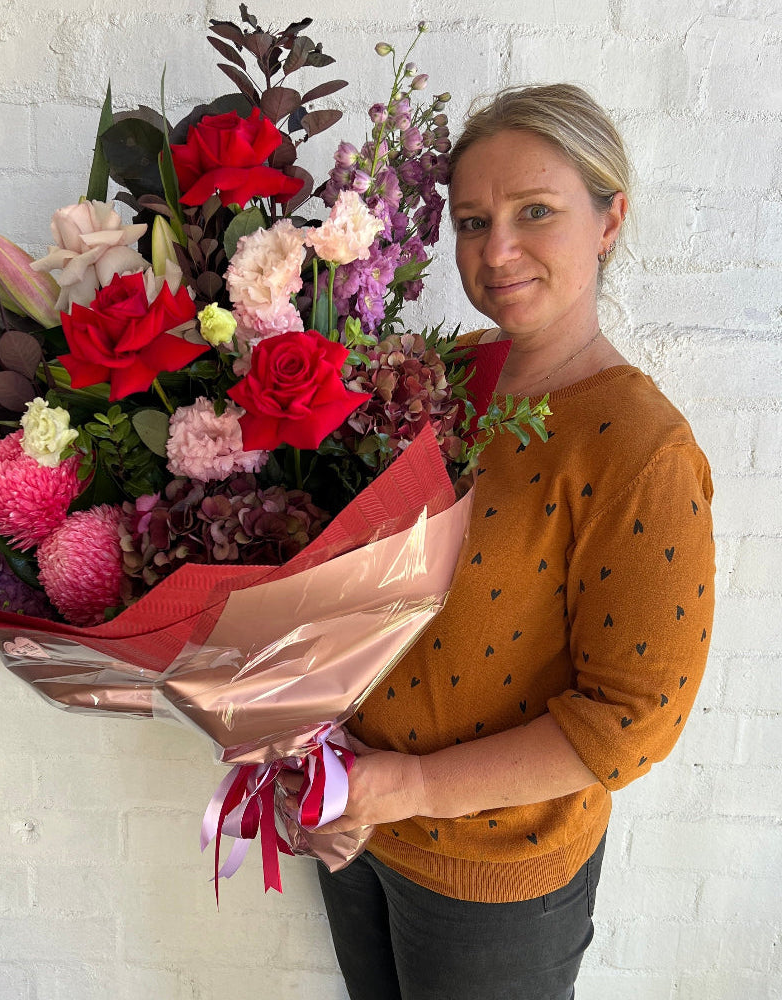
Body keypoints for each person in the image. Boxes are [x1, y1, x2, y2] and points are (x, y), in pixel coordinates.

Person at [298, 84, 716, 1000]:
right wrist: (302, 745)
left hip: (495, 876)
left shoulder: (641, 450)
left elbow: (630, 721)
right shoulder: (426, 383)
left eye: (536, 213)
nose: (497, 251)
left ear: (611, 220)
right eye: (473, 219)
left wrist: (403, 788)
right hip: (355, 827)